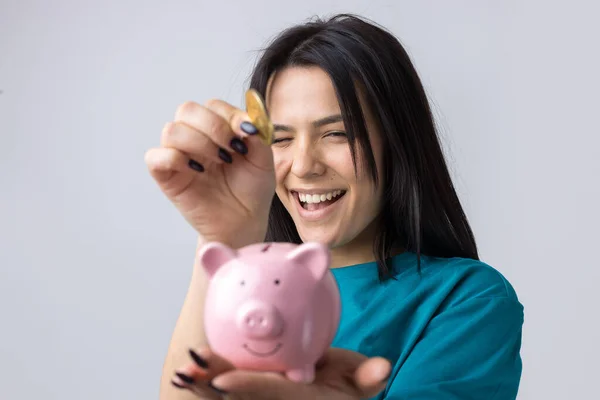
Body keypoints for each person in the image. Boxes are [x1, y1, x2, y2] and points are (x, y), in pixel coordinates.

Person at [145, 13, 524, 400]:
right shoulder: (241, 289)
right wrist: (222, 237)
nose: (304, 166)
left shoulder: (467, 300)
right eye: (281, 138)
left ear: (397, 143)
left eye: (337, 134)